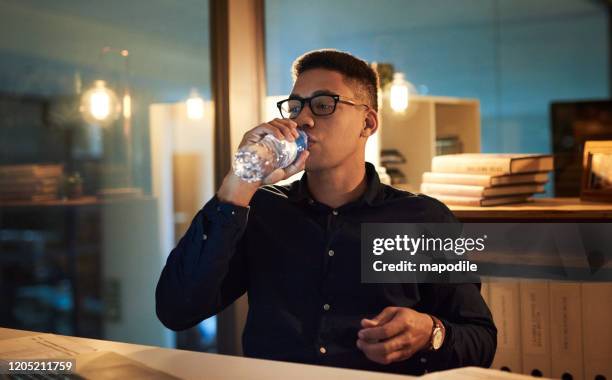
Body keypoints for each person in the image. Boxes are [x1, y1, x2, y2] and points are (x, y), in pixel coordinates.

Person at [156, 49, 496, 375]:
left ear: (367, 122)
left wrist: (430, 332)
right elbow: (177, 309)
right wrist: (239, 183)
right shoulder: (262, 210)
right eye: (295, 107)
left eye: (322, 105)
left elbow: (480, 340)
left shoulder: (423, 218)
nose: (302, 119)